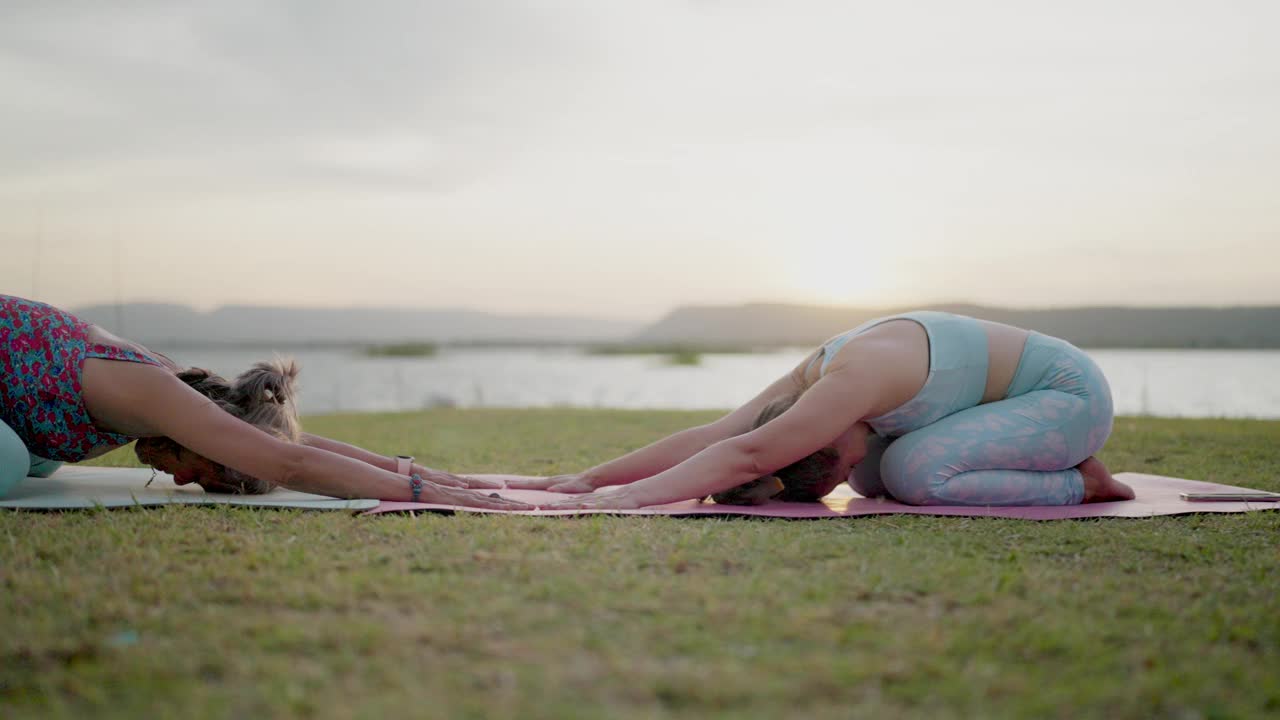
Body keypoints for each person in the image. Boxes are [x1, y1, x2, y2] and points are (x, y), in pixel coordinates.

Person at [515, 310, 1136, 509]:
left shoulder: (849, 383)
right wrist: (593, 476)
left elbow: (748, 453)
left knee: (912, 475)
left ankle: (1086, 480)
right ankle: (1071, 475)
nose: (848, 471)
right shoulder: (806, 383)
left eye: (835, 468)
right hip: (1012, 401)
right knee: (878, 476)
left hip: (1064, 396)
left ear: (825, 436)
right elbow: (717, 434)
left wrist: (618, 500)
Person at [0, 295, 529, 510]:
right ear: (201, 437)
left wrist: (415, 469)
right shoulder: (158, 394)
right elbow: (289, 461)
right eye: (204, 473)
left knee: (39, 466)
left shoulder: (189, 393)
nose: (181, 481)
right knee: (13, 463)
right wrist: (428, 494)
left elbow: (283, 444)